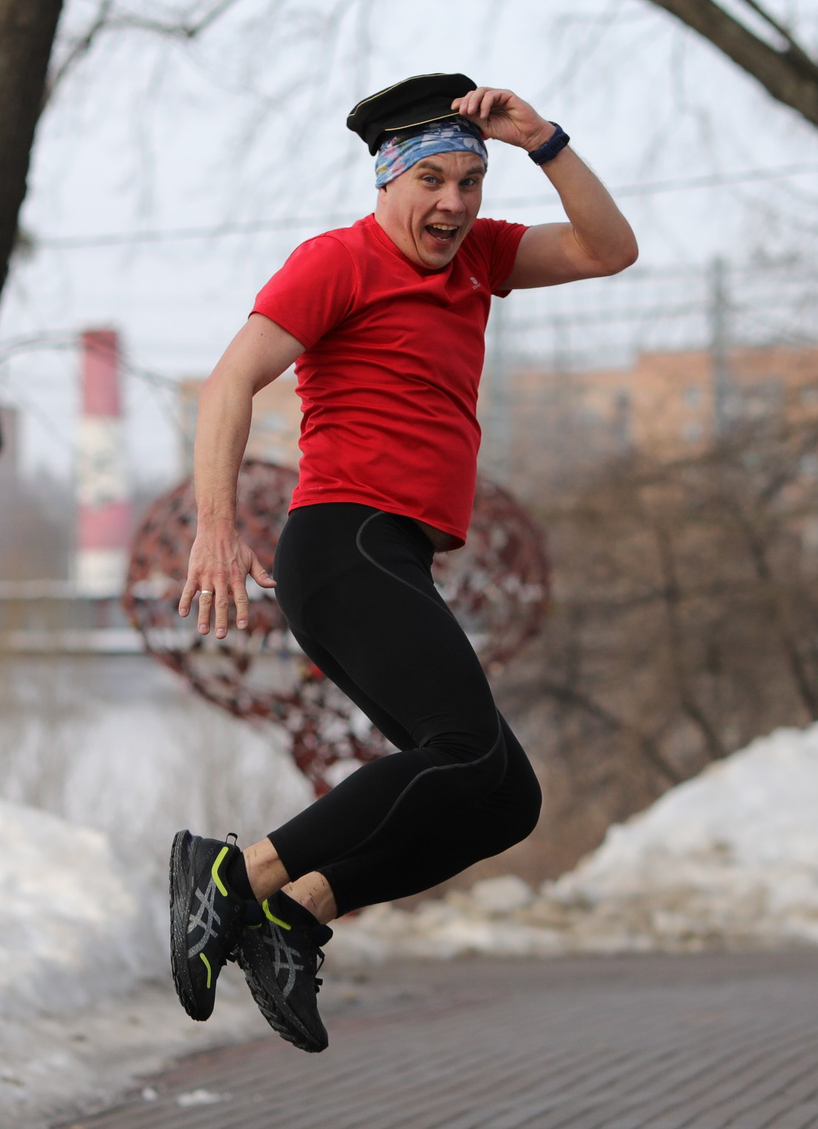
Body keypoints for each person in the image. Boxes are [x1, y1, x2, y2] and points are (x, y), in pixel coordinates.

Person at [166, 74, 639, 1052]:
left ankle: (296, 915)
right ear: (387, 180)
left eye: (470, 181)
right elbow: (229, 382)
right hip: (341, 542)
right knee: (465, 751)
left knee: (502, 798)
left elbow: (609, 249)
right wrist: (215, 523)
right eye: (433, 180)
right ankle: (234, 875)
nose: (455, 205)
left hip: (393, 555)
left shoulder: (481, 259)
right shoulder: (336, 262)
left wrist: (544, 141)